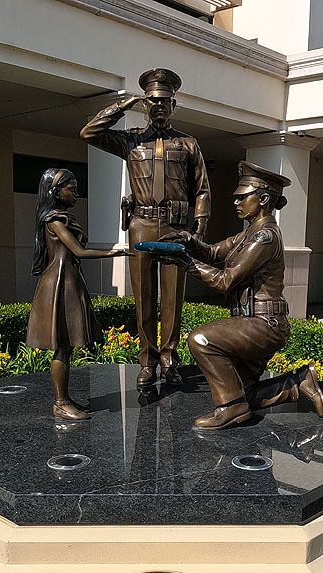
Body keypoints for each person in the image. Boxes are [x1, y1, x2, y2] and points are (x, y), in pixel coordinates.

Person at [156, 161, 323, 431]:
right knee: (242, 393)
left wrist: (185, 263)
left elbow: (226, 280)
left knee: (201, 340)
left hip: (263, 325)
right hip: (251, 321)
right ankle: (298, 383)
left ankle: (231, 409)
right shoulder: (247, 235)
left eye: (242, 196)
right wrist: (188, 241)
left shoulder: (264, 238)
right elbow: (213, 253)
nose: (235, 201)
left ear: (263, 199)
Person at [80, 68, 211, 389]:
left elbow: (203, 189)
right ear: (144, 104)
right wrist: (122, 105)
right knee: (144, 298)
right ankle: (148, 360)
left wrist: (199, 230)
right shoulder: (130, 141)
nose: (159, 106)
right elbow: (89, 133)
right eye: (152, 101)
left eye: (165, 101)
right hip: (140, 226)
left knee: (172, 299)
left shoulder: (189, 144)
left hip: (177, 227)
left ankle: (169, 358)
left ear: (175, 105)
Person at [26, 168, 127, 420]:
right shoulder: (54, 220)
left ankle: (64, 399)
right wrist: (116, 253)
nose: (76, 194)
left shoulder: (61, 218)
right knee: (62, 345)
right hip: (59, 284)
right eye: (72, 189)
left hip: (69, 281)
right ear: (56, 192)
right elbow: (78, 252)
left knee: (66, 347)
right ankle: (60, 402)